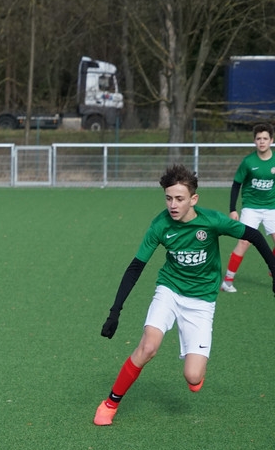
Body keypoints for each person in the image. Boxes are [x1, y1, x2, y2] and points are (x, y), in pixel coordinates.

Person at [94, 163, 275, 426]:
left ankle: (195, 371)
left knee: (193, 377)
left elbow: (254, 235)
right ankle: (110, 403)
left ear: (193, 199)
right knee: (148, 347)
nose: (173, 205)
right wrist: (115, 311)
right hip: (170, 289)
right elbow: (136, 267)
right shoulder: (160, 224)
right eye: (168, 198)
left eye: (179, 199)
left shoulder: (211, 221)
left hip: (202, 301)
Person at [220, 123, 275, 293]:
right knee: (244, 242)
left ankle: (272, 266)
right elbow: (236, 184)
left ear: (271, 140)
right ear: (254, 141)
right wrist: (233, 209)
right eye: (258, 138)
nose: (262, 141)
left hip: (271, 208)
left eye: (265, 138)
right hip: (251, 208)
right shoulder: (248, 162)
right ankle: (227, 281)